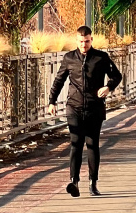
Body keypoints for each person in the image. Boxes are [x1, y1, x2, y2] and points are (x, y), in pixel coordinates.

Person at [48, 26, 123, 197]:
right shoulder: (69, 58)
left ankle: (93, 183)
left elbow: (117, 76)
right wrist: (51, 102)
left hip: (94, 107)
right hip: (73, 106)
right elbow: (59, 80)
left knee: (92, 144)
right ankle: (74, 181)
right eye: (81, 41)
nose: (84, 44)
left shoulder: (101, 58)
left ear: (92, 40)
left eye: (87, 41)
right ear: (76, 41)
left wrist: (108, 87)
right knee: (75, 143)